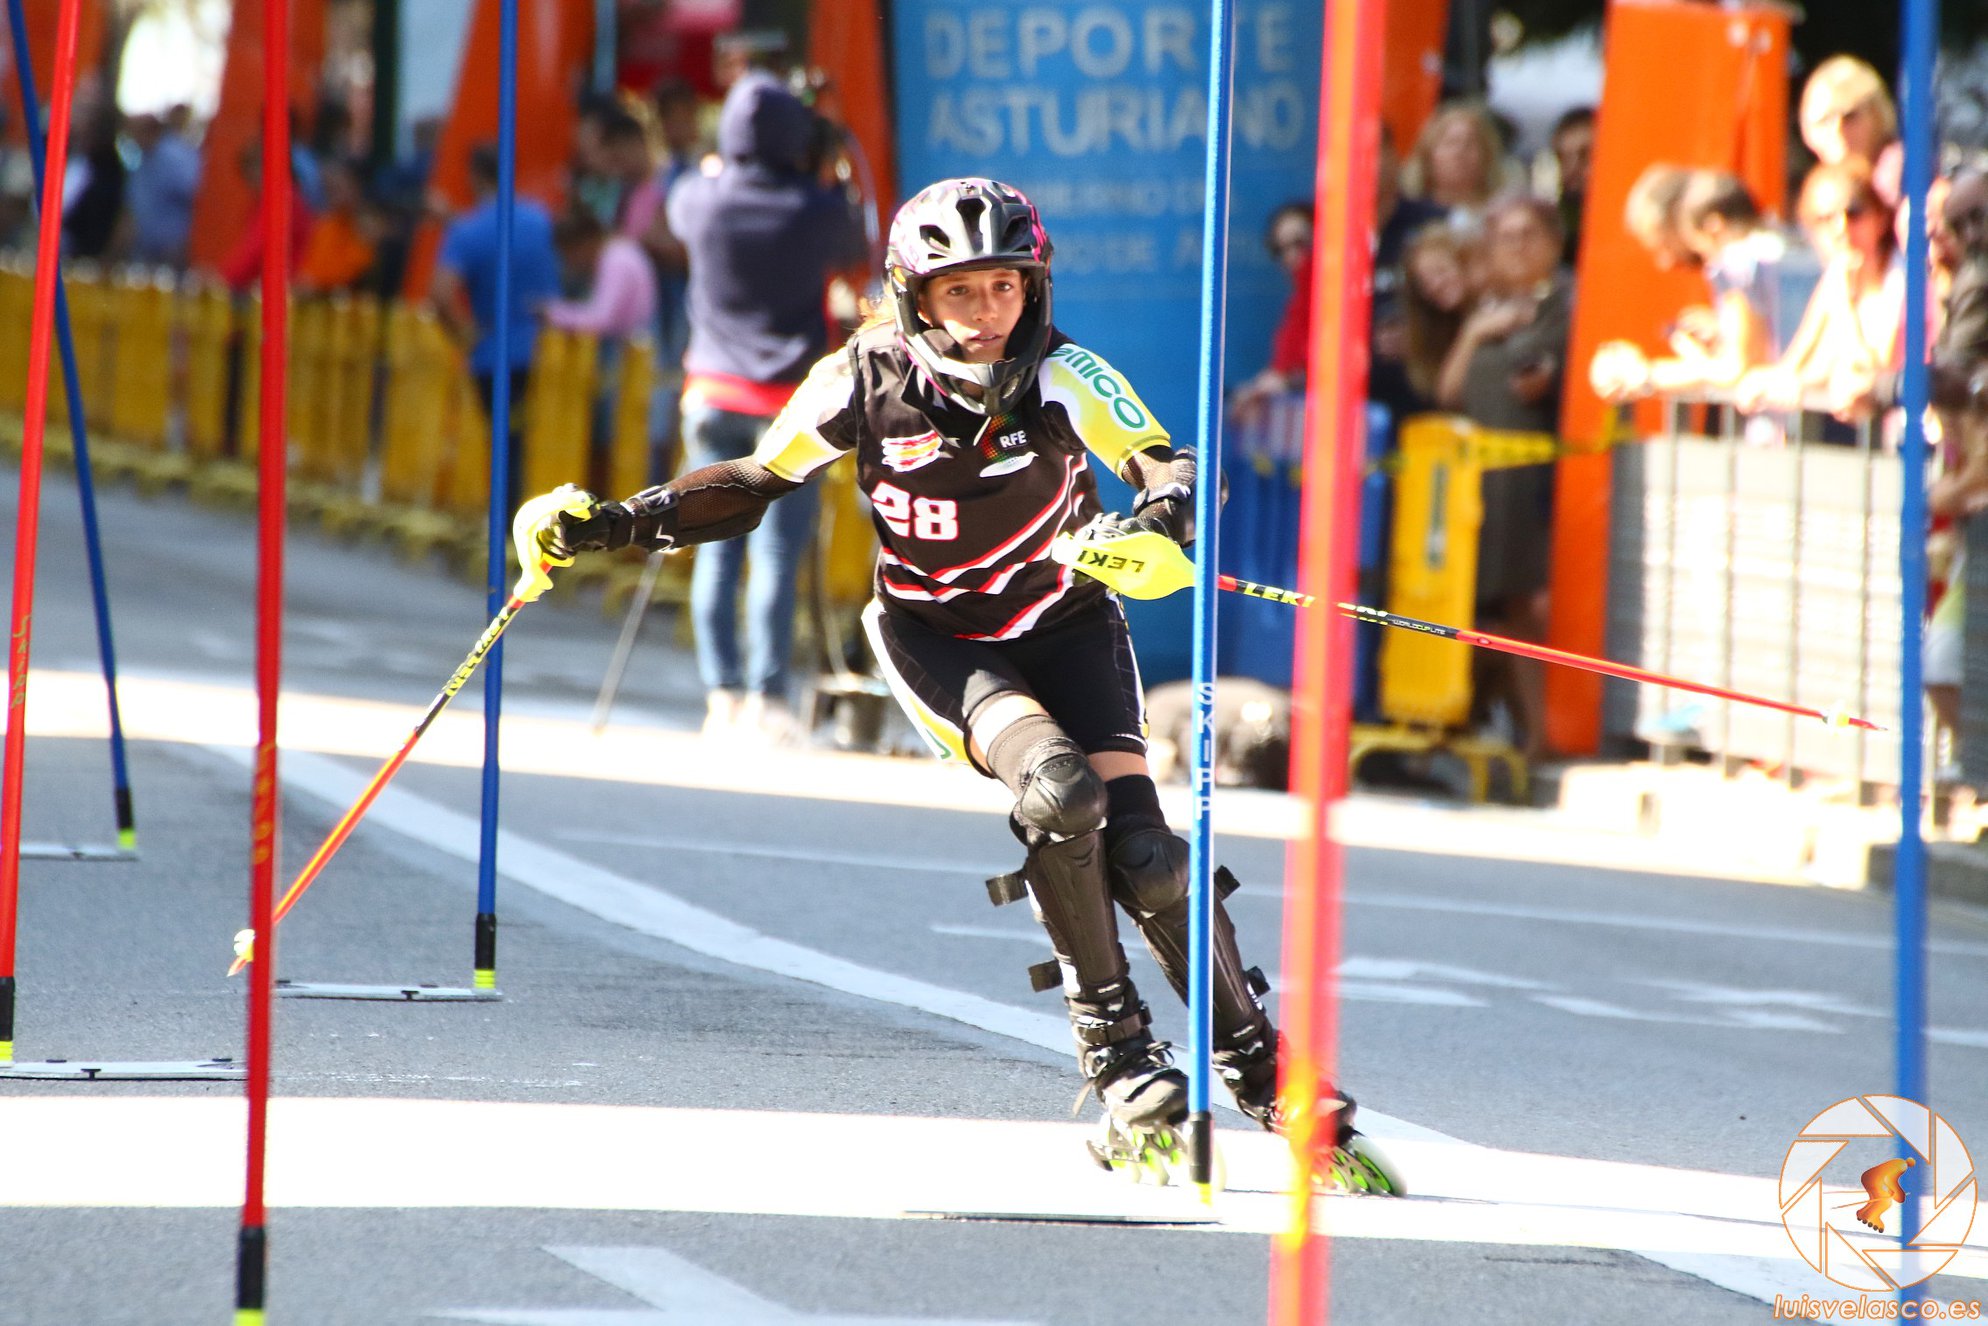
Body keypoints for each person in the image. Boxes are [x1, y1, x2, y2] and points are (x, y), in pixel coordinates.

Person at [525, 177, 1396, 1190]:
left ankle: (1263, 1069)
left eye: (1005, 288)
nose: (987, 315)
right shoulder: (860, 380)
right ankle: (1122, 1063)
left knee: (1149, 856)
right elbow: (755, 482)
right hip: (940, 638)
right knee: (1059, 791)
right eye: (960, 291)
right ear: (913, 296)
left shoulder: (1063, 370)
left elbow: (1169, 464)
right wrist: (615, 523)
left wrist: (1160, 523)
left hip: (1067, 624)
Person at [665, 69, 865, 740]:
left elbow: (680, 198)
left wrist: (715, 168)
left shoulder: (701, 200)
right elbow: (857, 245)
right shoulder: (816, 210)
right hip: (788, 406)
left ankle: (720, 697)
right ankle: (768, 701)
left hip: (712, 394)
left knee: (715, 550)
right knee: (778, 554)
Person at [1435, 195, 1572, 759]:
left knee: (1532, 607)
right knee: (1496, 608)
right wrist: (1475, 332)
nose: (1514, 247)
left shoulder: (1564, 301)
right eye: (1503, 237)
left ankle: (1547, 733)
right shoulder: (1488, 304)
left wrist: (1545, 376)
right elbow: (1448, 393)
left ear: (1553, 241)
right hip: (1485, 483)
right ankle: (1519, 729)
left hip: (1539, 478)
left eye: (1527, 235)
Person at [431, 143, 562, 511]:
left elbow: (440, 293)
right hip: (551, 349)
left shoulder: (466, 231)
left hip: (494, 353)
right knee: (549, 444)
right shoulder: (541, 220)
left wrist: (466, 335)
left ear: (475, 176)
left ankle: (509, 522)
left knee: (505, 445)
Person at [1591, 171, 1784, 401]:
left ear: (1712, 227)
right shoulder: (1767, 250)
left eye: (1664, 244)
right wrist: (1722, 331)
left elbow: (1735, 368)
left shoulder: (1738, 260)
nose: (1666, 263)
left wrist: (1647, 375)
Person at [1735, 160, 1900, 417]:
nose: (1841, 228)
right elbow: (1802, 364)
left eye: (1854, 213)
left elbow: (1872, 368)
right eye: (1825, 219)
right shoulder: (1838, 275)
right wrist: (1763, 381)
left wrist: (1846, 302)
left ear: (1881, 217)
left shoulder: (1900, 277)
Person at [1402, 101, 1508, 232]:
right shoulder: (1407, 214)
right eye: (1451, 143)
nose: (1460, 152)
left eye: (1470, 144)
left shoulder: (1504, 213)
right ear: (1428, 154)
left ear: (1487, 155)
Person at [120, 111, 202, 270]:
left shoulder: (176, 157)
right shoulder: (142, 160)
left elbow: (197, 197)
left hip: (175, 250)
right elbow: (134, 206)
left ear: (150, 130)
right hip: (145, 253)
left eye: (135, 133)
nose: (133, 140)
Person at [294, 157, 379, 295]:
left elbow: (355, 269)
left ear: (355, 186)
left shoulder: (368, 227)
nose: (333, 195)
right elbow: (310, 268)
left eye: (338, 188)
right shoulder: (325, 224)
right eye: (329, 189)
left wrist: (319, 282)